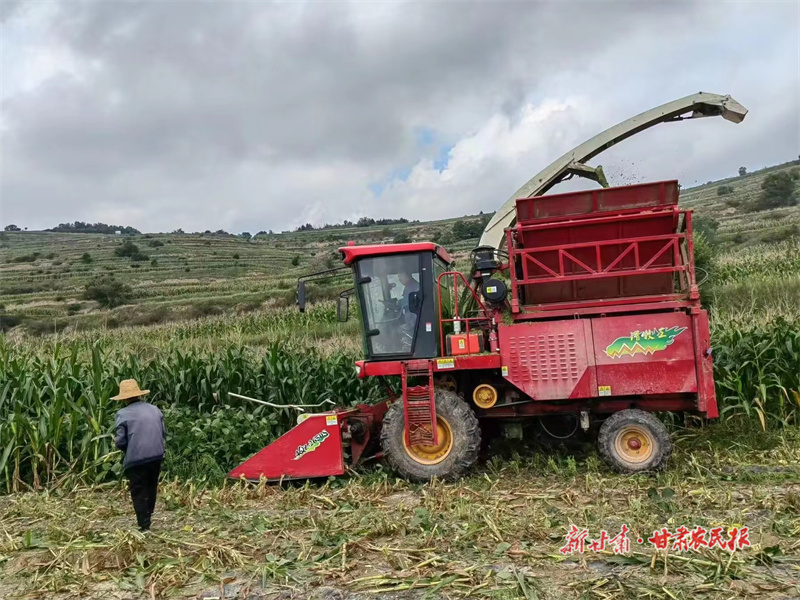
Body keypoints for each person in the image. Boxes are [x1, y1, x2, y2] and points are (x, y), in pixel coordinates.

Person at [113, 379, 165, 531]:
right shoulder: (155, 409)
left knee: (138, 489)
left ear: (124, 398)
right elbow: (163, 432)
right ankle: (148, 513)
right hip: (157, 455)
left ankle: (144, 524)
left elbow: (121, 441)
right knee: (151, 485)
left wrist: (126, 449)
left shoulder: (122, 414)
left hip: (136, 458)